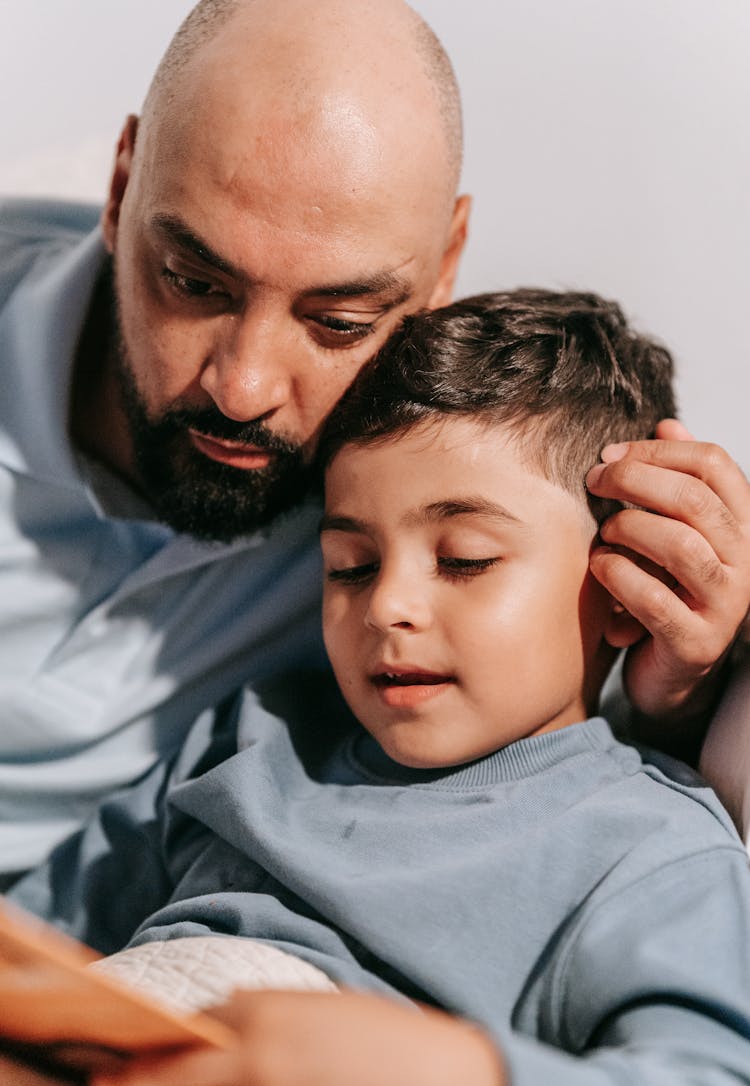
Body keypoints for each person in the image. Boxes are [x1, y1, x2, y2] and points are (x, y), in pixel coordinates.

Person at [1, 0, 749, 885]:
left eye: (338, 321)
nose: (243, 389)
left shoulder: (426, 489)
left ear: (443, 268)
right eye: (193, 283)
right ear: (121, 189)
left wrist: (675, 695)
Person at [13, 290, 750, 1086]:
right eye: (350, 564)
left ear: (629, 588)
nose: (387, 605)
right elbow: (43, 933)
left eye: (465, 559)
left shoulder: (646, 850)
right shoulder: (261, 730)